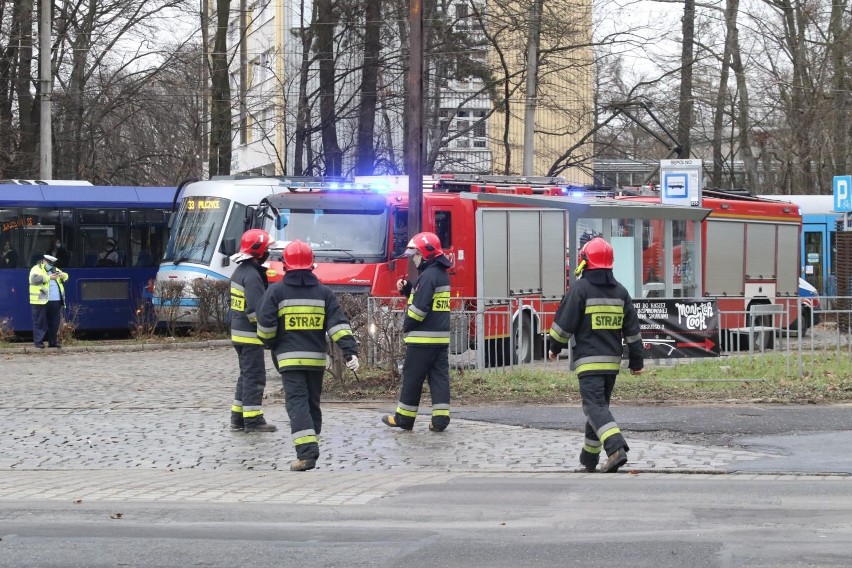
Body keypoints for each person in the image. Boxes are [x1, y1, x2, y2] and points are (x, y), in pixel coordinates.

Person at [256, 240, 359, 471]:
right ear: (312, 265)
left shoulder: (276, 291)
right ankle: (312, 446)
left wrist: (272, 343)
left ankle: (306, 454)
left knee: (297, 404)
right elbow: (338, 325)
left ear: (285, 265)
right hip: (316, 361)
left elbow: (265, 328)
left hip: (289, 360)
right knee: (312, 404)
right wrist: (349, 350)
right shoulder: (324, 293)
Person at [548, 237, 644, 473]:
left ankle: (615, 447)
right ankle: (589, 458)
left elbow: (564, 323)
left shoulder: (581, 289)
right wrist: (636, 360)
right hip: (611, 364)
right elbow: (632, 330)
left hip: (588, 362)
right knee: (599, 407)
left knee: (594, 407)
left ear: (585, 261)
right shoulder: (620, 292)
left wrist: (554, 346)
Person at [381, 231, 452, 432]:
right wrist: (408, 289)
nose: (414, 259)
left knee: (412, 377)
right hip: (439, 338)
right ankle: (440, 420)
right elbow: (429, 301)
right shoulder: (440, 274)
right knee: (439, 377)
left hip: (422, 339)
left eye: (416, 254)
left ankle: (404, 418)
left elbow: (419, 310)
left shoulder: (428, 276)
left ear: (426, 254)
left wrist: (406, 325)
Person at [228, 229, 276, 433]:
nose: (269, 253)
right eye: (267, 250)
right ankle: (253, 419)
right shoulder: (252, 275)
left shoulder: (241, 271)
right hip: (250, 336)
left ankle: (238, 417)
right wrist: (267, 332)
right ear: (259, 251)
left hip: (239, 334)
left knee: (245, 376)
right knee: (255, 376)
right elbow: (256, 309)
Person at [29, 254, 69, 349]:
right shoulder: (36, 268)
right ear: (44, 261)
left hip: (56, 300)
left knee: (54, 323)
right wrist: (49, 278)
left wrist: (63, 275)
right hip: (41, 300)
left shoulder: (55, 269)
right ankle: (39, 343)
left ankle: (53, 342)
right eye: (49, 263)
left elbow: (66, 276)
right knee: (40, 322)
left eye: (52, 263)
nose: (51, 265)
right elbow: (34, 279)